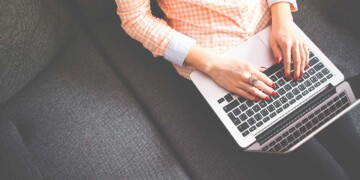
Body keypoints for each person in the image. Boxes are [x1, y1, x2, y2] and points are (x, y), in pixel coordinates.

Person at [116, 0, 360, 179]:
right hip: (218, 65)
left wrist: (283, 18)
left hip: (276, 34)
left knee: (352, 149)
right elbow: (136, 19)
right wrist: (214, 65)